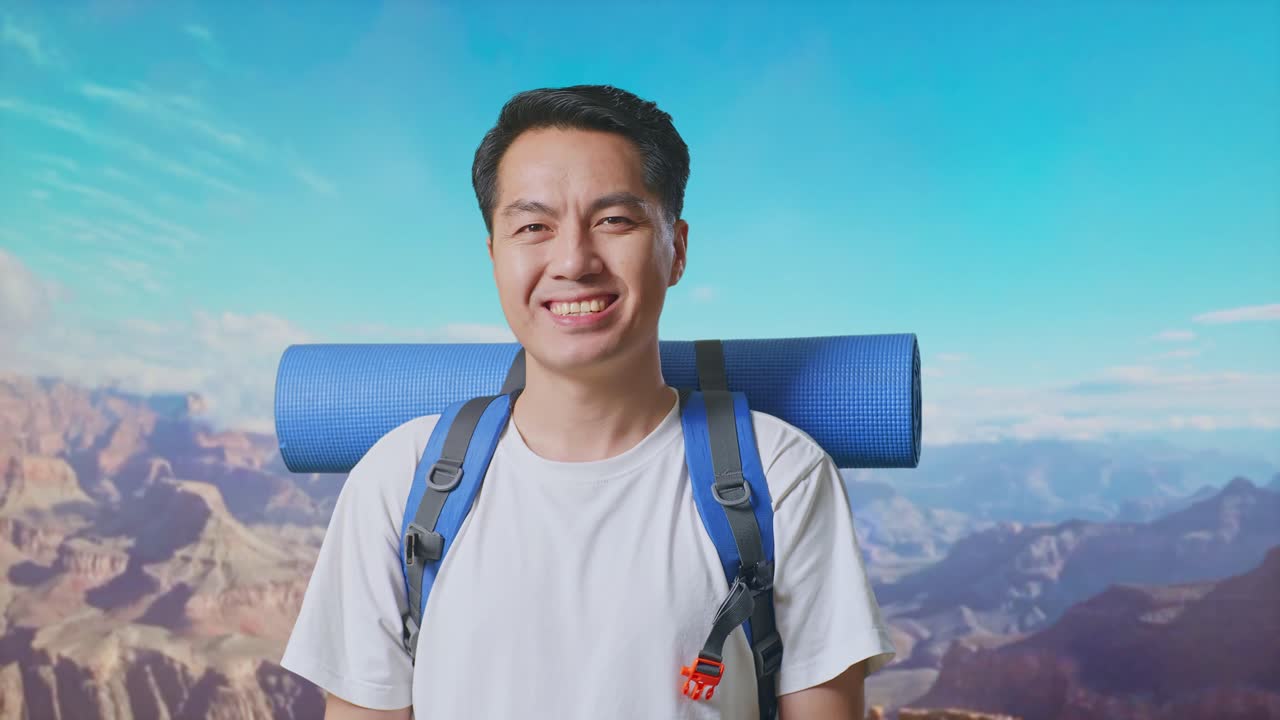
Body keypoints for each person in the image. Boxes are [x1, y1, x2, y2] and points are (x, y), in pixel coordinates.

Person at [280, 84, 895, 719]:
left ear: (676, 248)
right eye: (532, 227)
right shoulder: (396, 481)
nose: (572, 259)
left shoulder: (783, 475)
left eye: (614, 221)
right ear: (494, 255)